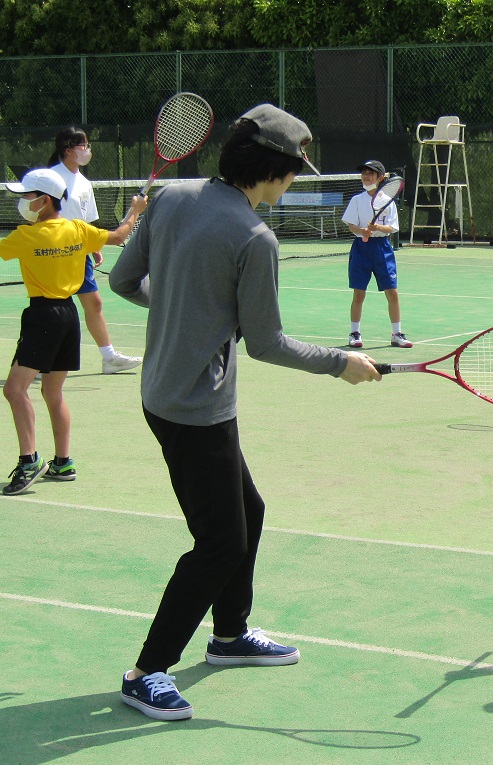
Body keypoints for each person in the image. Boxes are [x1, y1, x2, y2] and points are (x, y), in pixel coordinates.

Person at [109, 104, 382, 721]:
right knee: (219, 544)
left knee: (248, 512)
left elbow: (127, 281)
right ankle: (146, 670)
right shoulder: (256, 239)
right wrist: (341, 363)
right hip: (195, 409)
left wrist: (185, 313)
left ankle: (230, 636)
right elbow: (266, 343)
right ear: (276, 171)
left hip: (167, 396)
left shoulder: (173, 196)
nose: (290, 183)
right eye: (292, 172)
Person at [0, 169, 146, 495]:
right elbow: (119, 236)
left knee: (13, 390)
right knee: (52, 393)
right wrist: (135, 211)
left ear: (44, 201)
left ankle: (29, 461)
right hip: (68, 315)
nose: (22, 201)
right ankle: (63, 463)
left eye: (27, 196)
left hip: (42, 316)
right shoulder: (78, 230)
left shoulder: (26, 237)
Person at [47, 127, 144, 374]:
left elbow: (86, 221)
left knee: (94, 304)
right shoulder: (50, 178)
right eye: (83, 146)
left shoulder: (84, 183)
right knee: (53, 308)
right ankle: (39, 359)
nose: (88, 150)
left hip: (80, 253)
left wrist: (94, 248)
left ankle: (109, 358)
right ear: (68, 150)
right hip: (54, 253)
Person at [341, 160, 412, 349]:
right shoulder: (357, 199)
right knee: (359, 293)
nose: (366, 176)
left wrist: (378, 227)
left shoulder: (388, 202)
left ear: (380, 178)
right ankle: (354, 333)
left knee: (392, 292)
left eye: (370, 173)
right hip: (361, 250)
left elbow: (392, 228)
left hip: (382, 249)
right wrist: (362, 231)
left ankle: (397, 334)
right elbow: (350, 224)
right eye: (364, 173)